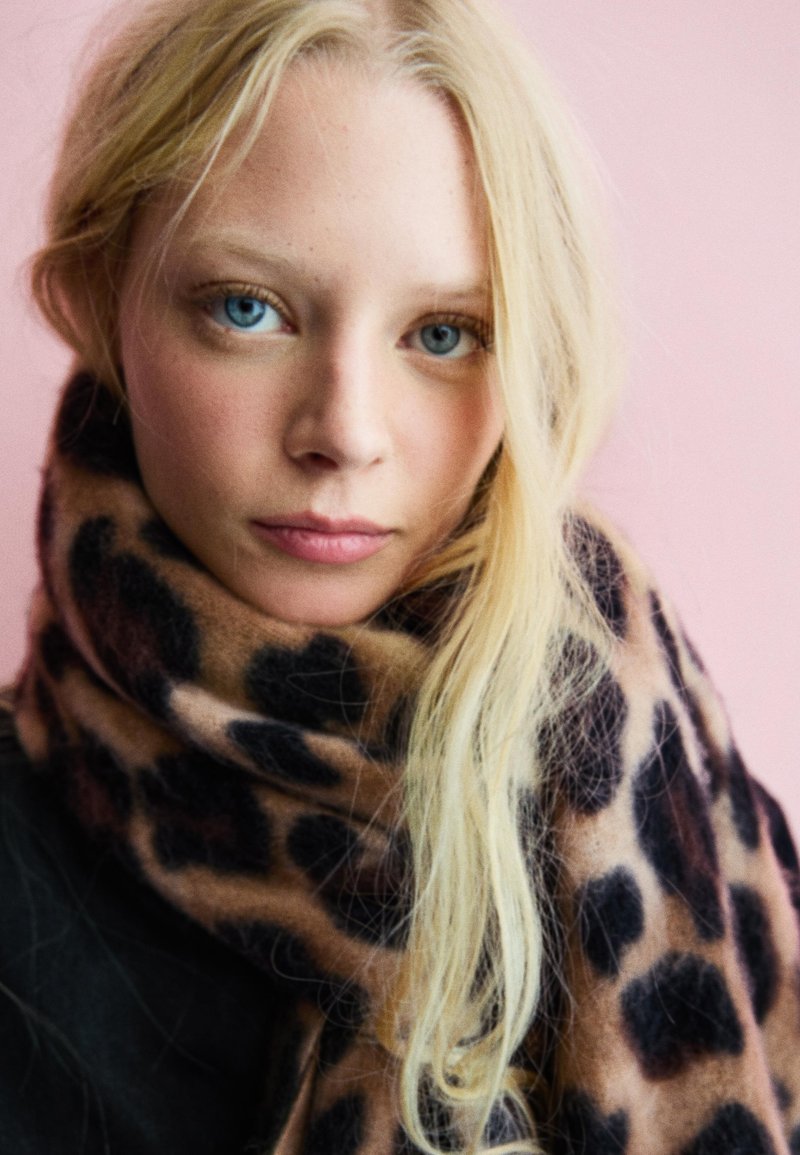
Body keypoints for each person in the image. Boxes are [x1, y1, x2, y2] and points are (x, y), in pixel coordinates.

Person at [1, 0, 798, 1152]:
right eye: (248, 310)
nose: (345, 432)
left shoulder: (655, 772)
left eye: (441, 333)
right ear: (97, 297)